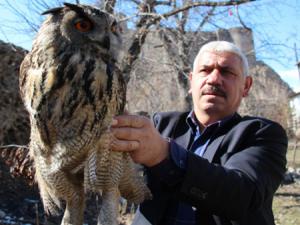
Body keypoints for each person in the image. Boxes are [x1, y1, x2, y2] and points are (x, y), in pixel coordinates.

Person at [110, 41, 288, 225]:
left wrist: (164, 154)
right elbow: (118, 178)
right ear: (191, 81)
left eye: (227, 72)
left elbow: (243, 195)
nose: (214, 79)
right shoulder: (160, 124)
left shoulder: (263, 134)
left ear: (246, 86)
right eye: (205, 70)